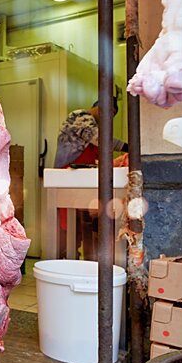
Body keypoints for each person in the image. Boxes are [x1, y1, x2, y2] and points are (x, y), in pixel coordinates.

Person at [53, 97, 129, 260]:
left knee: (83, 225)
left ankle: (83, 261)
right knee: (68, 226)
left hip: (83, 180)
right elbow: (100, 139)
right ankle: (63, 261)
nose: (108, 118)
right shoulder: (80, 116)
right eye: (109, 113)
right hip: (68, 177)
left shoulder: (94, 126)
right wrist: (128, 147)